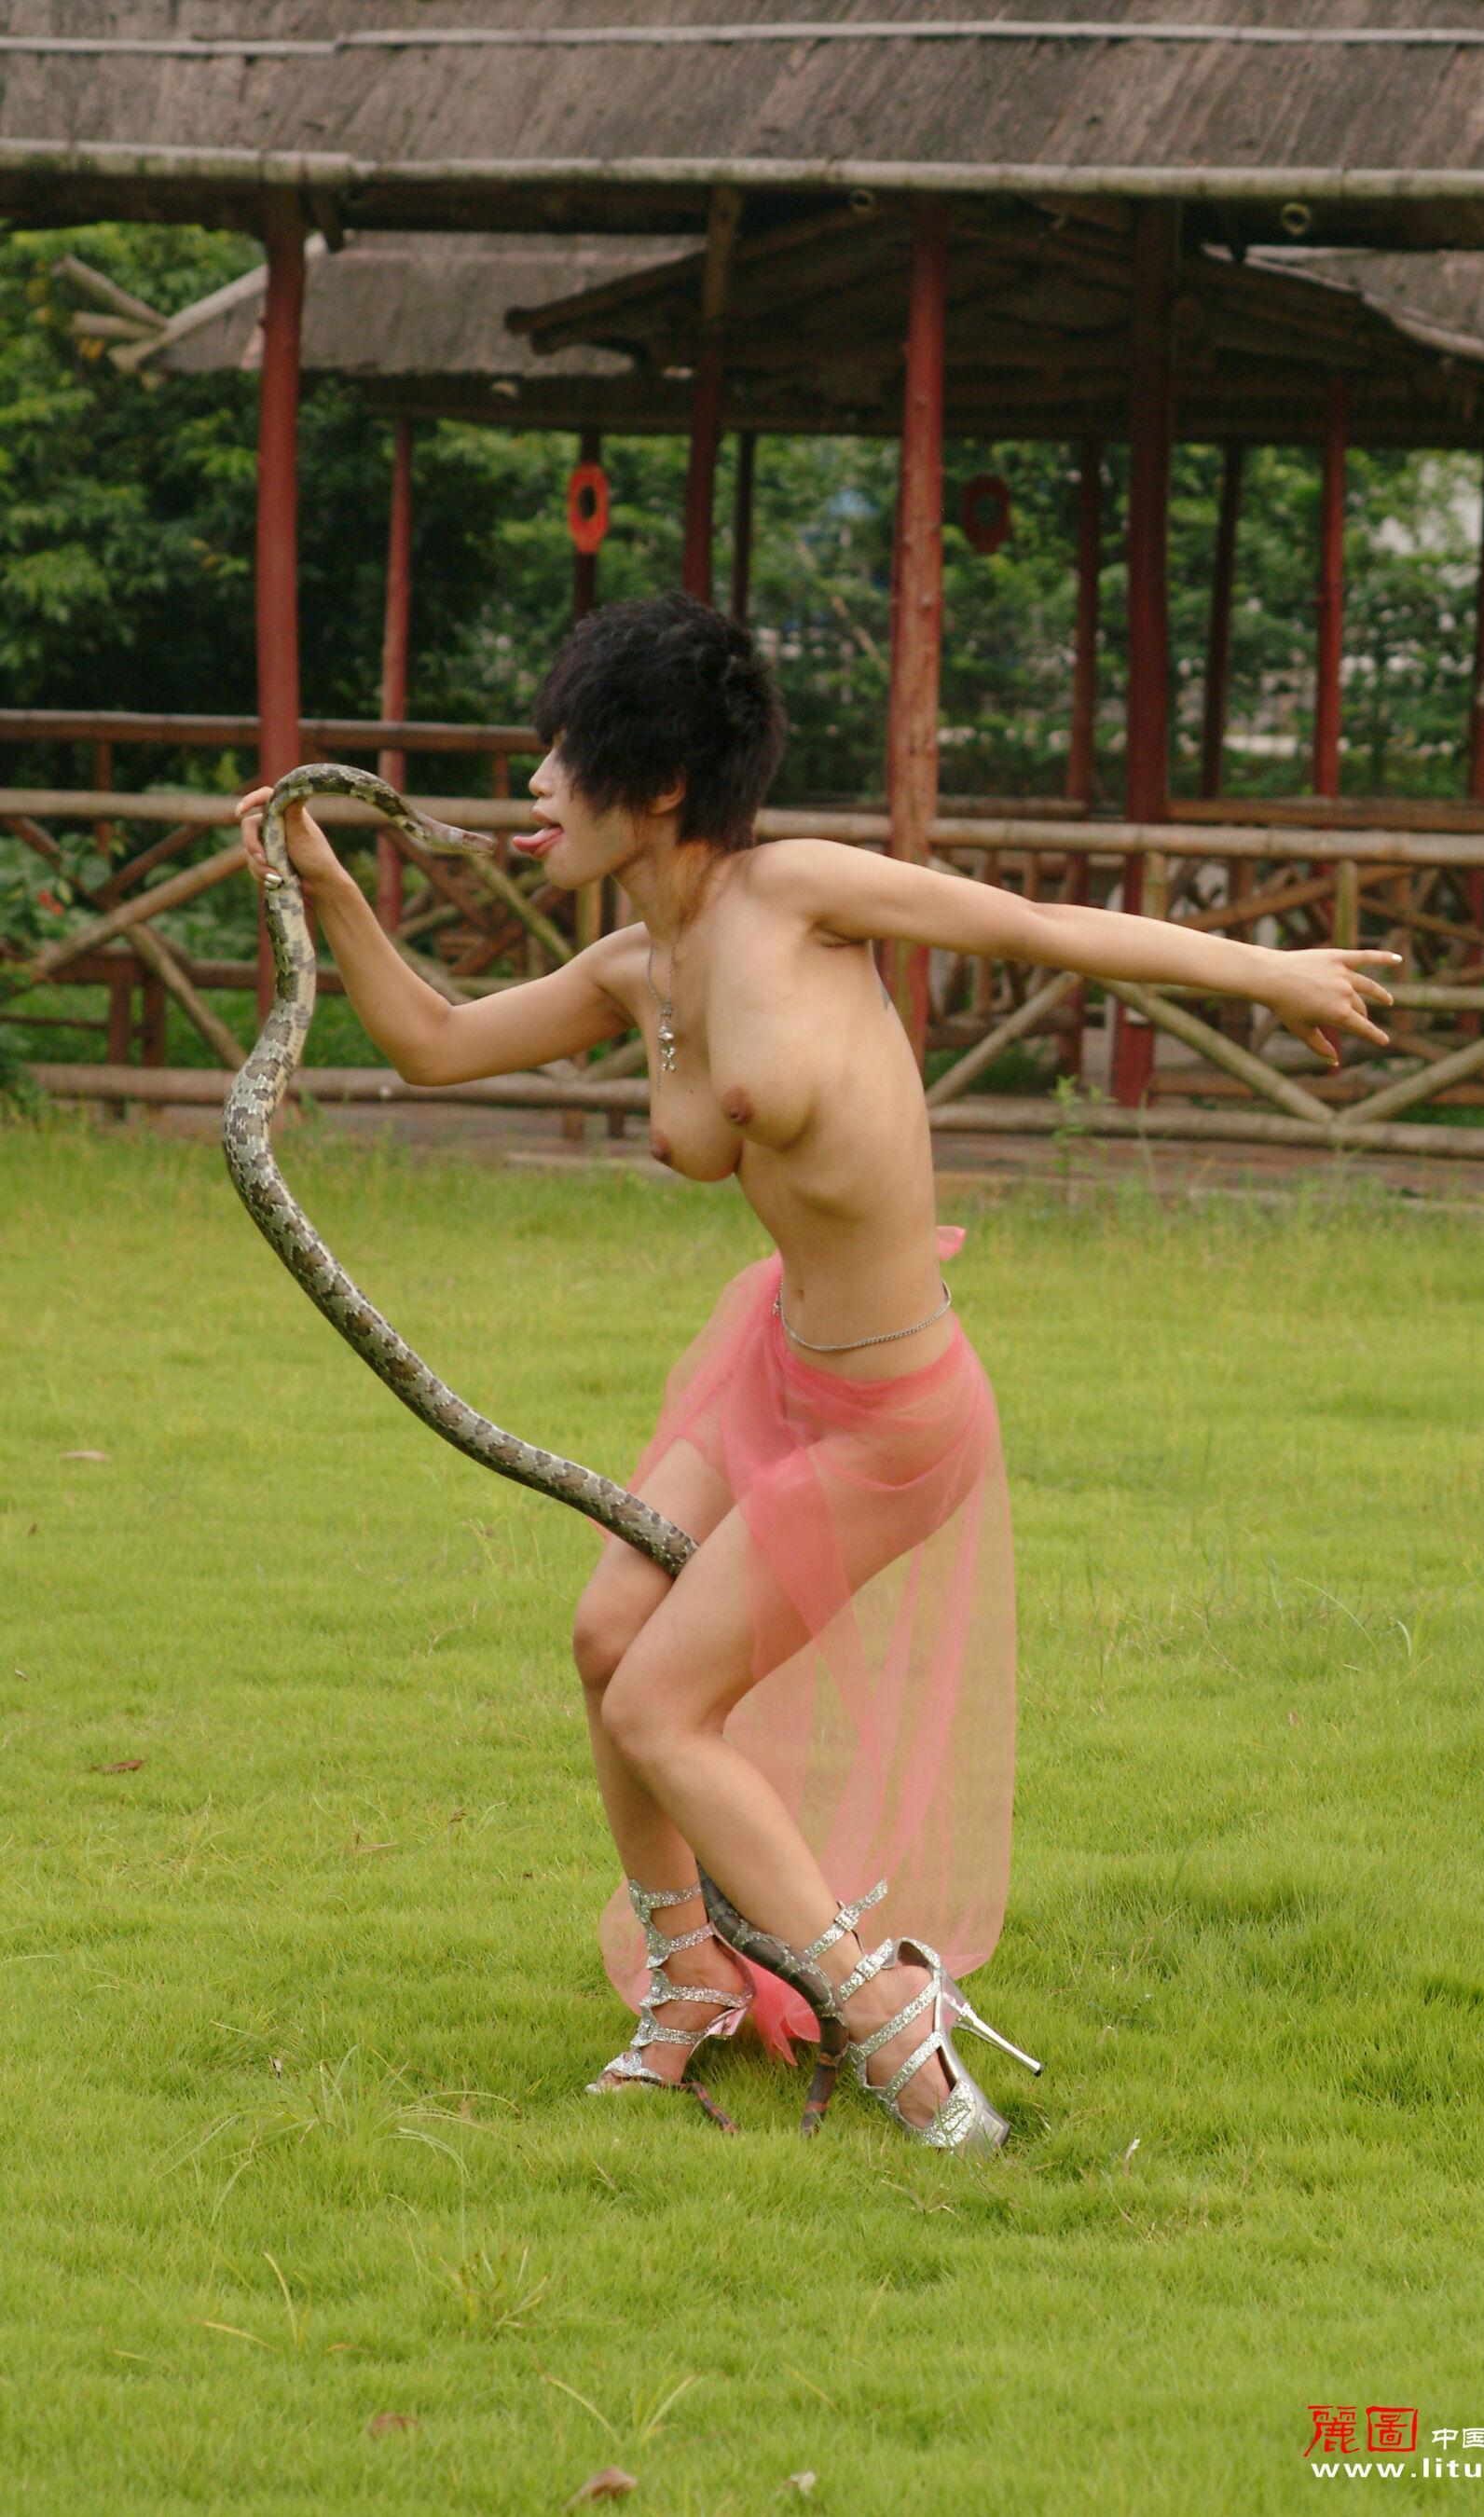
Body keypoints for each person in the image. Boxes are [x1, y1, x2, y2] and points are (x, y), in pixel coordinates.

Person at [239, 590, 1398, 2153]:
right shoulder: (639, 963)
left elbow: (1040, 929)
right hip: (771, 1362)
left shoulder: (797, 893)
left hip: (893, 1416)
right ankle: (691, 1984)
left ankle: (893, 2023)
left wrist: (1273, 975)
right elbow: (435, 1043)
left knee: (665, 1706)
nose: (535, 784)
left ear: (659, 786)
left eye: (566, 757)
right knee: (607, 1638)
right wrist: (322, 884)